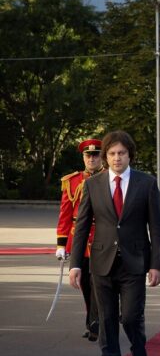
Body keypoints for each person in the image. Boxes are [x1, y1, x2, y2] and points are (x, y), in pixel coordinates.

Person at [68, 130, 160, 356]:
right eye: (111, 153)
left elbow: (156, 228)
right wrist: (76, 264)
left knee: (131, 318)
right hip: (101, 264)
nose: (116, 158)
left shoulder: (146, 184)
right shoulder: (93, 184)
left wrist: (156, 264)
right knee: (107, 324)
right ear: (105, 157)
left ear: (129, 155)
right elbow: (82, 226)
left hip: (135, 264)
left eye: (121, 153)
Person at [56, 138, 103, 341]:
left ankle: (96, 323)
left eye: (95, 155)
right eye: (88, 155)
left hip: (102, 237)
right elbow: (65, 214)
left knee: (98, 282)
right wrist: (61, 244)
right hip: (79, 240)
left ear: (102, 157)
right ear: (83, 157)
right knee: (84, 282)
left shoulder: (109, 178)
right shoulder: (72, 181)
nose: (91, 159)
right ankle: (92, 319)